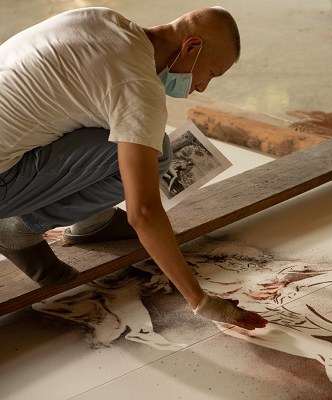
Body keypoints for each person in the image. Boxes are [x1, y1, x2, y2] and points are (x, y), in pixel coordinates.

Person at [0, 6, 267, 330]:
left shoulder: (102, 19)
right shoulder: (139, 88)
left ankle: (93, 222)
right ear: (192, 46)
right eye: (211, 73)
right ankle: (18, 227)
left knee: (115, 126)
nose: (202, 87)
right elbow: (143, 213)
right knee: (156, 153)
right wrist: (201, 300)